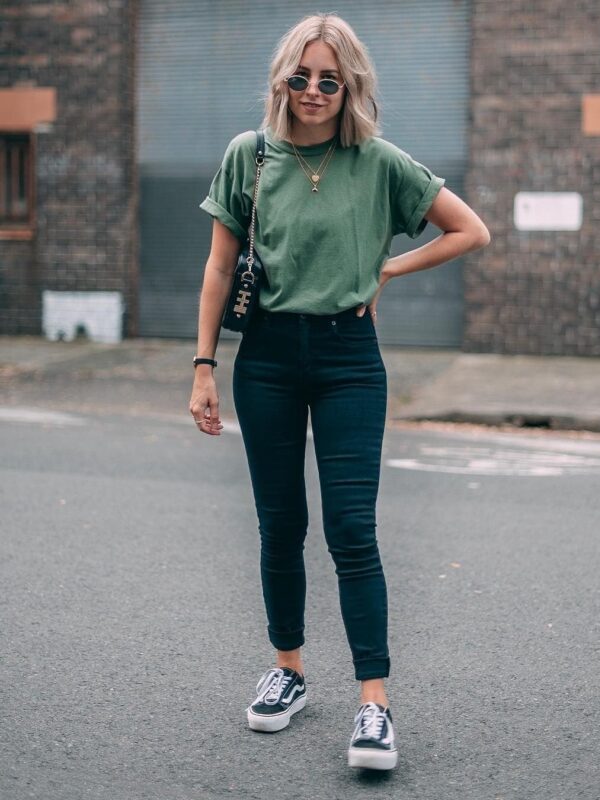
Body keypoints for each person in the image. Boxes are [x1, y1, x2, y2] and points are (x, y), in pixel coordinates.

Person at [190, 13, 490, 771]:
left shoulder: (379, 162)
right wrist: (202, 366)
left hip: (350, 358)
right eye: (302, 76)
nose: (315, 90)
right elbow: (221, 268)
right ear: (281, 80)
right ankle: (288, 672)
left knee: (352, 529)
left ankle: (374, 706)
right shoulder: (249, 156)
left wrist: (387, 269)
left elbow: (469, 231)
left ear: (350, 85)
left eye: (331, 79)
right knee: (279, 523)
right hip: (265, 358)